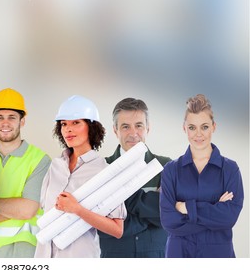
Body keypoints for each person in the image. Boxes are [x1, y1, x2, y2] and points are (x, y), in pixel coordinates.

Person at [34, 95, 126, 258]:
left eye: (76, 123)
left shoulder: (104, 171)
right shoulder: (55, 166)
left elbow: (117, 229)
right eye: (64, 124)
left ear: (91, 127)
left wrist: (77, 209)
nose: (68, 129)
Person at [160, 94, 244, 258]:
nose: (198, 134)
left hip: (218, 256)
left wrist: (185, 208)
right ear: (184, 128)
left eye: (204, 127)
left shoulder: (230, 170)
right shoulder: (171, 170)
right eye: (192, 127)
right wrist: (214, 211)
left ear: (214, 127)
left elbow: (228, 218)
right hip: (179, 254)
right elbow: (168, 221)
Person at [0, 88, 51, 258]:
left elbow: (27, 209)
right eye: (0, 117)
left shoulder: (39, 160)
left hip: (24, 252)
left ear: (22, 121)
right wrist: (12, 208)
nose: (5, 123)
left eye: (12, 117)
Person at [98, 98, 171, 258]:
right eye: (125, 127)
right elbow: (97, 225)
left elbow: (170, 216)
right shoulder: (101, 168)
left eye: (139, 125)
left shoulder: (166, 167)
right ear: (115, 130)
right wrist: (151, 210)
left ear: (148, 128)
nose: (133, 133)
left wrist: (121, 206)